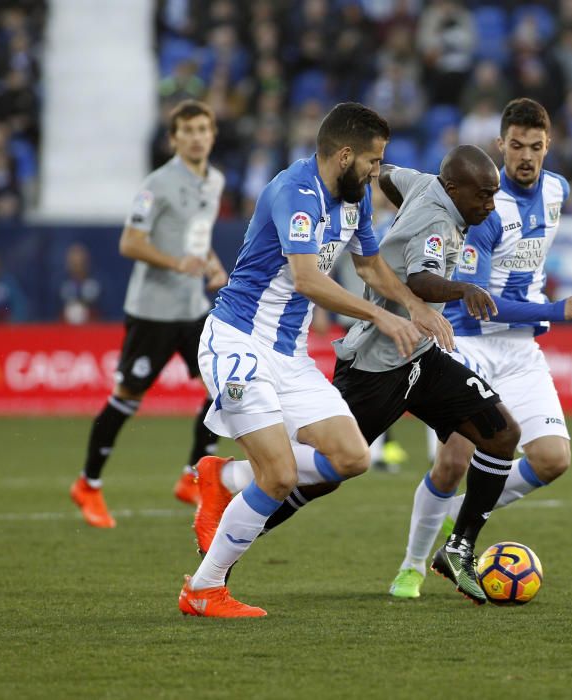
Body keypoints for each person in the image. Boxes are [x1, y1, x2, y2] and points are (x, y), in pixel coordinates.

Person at [192, 142, 551, 610]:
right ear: (454, 188)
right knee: (315, 476)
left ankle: (459, 546)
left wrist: (400, 214)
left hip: (420, 357)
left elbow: (389, 179)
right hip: (376, 366)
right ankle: (230, 512)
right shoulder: (436, 222)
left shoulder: (418, 184)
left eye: (493, 195)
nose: (490, 205)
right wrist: (460, 286)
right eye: (483, 195)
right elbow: (421, 278)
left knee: (502, 434)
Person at [178, 102, 454, 618]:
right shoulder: (294, 191)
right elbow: (306, 279)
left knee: (353, 458)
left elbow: (370, 265)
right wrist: (381, 318)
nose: (378, 173)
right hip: (238, 342)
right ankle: (204, 588)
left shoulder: (352, 201)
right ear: (345, 155)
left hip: (289, 355)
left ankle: (225, 478)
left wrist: (414, 307)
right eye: (373, 162)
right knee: (279, 476)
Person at [389, 97, 572, 599]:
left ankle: (458, 529)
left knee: (552, 460)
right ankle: (412, 566)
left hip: (521, 354)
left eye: (537, 146)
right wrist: (554, 309)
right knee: (453, 463)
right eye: (517, 145)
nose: (527, 156)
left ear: (549, 146)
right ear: (500, 144)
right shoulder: (486, 209)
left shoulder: (556, 190)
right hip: (470, 346)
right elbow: (483, 303)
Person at [70, 99, 229, 528]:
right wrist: (177, 263)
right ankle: (88, 484)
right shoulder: (156, 184)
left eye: (203, 129)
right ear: (174, 137)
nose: (197, 137)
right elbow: (129, 242)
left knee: (225, 385)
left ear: (212, 135)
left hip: (192, 308)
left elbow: (195, 237)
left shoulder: (214, 181)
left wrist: (210, 262)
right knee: (127, 399)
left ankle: (191, 474)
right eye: (188, 130)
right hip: (153, 311)